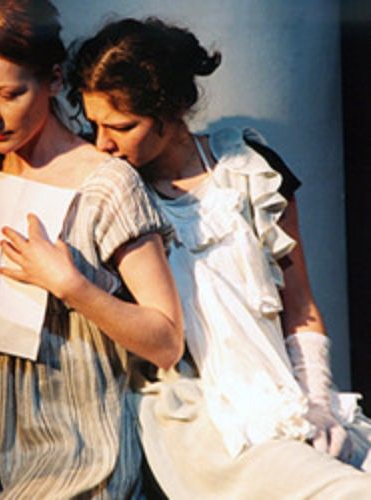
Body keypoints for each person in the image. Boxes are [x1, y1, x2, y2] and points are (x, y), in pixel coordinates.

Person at [68, 17, 371, 498]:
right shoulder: (115, 197)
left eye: (122, 126)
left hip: (285, 397)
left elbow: (301, 308)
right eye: (94, 125)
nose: (103, 142)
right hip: (200, 414)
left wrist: (317, 402)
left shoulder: (251, 172)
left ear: (173, 109)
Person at [0, 3, 184, 498]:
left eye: (8, 94)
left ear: (54, 79)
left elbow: (166, 341)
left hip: (73, 443)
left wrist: (73, 287)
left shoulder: (107, 184)